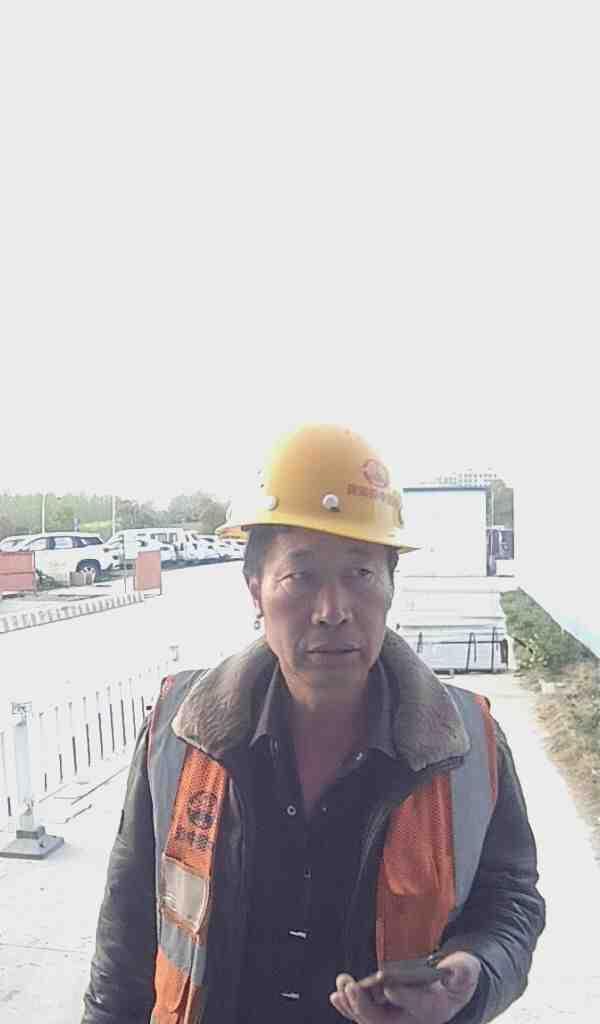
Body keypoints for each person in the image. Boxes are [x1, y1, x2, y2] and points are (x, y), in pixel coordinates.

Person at [81, 423, 545, 1024]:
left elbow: (510, 900)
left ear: (390, 586)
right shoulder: (179, 730)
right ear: (255, 590)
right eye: (301, 576)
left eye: (360, 574)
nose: (333, 611)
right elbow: (127, 928)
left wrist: (475, 973)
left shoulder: (468, 743)